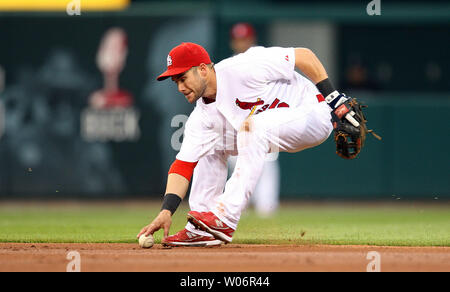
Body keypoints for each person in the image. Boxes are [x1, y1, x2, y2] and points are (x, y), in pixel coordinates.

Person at [138, 42, 348, 247]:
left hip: (312, 113)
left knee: (253, 126)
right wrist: (166, 211)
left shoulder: (244, 67)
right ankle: (200, 231)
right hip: (266, 127)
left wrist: (334, 99)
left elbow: (304, 56)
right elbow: (183, 165)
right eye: (176, 82)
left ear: (202, 69)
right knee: (209, 146)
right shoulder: (201, 119)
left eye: (183, 78)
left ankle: (225, 217)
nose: (181, 88)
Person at [228, 22, 280, 217]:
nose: (242, 43)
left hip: (264, 123)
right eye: (238, 39)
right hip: (238, 125)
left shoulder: (263, 62)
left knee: (267, 164)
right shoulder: (228, 67)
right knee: (239, 167)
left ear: (252, 40)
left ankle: (266, 210)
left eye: (245, 39)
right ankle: (237, 209)